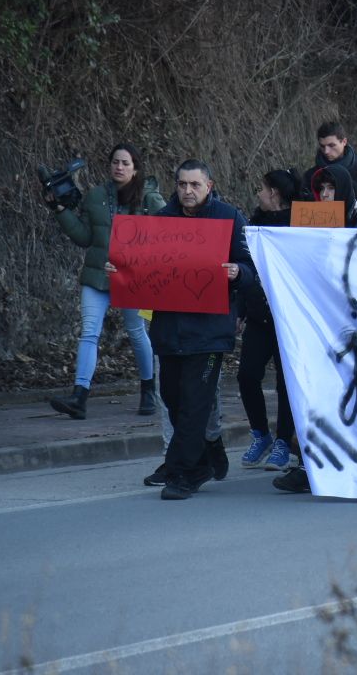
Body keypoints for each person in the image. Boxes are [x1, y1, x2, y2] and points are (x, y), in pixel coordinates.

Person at [111, 160, 254, 500]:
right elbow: (141, 271)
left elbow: (253, 265)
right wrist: (117, 268)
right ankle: (204, 455)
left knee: (195, 402)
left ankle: (184, 472)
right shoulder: (159, 223)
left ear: (209, 185)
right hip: (169, 329)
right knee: (173, 399)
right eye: (182, 185)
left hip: (209, 332)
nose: (188, 191)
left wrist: (239, 272)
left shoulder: (229, 218)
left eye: (195, 185)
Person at [44, 144, 165, 421]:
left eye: (125, 163)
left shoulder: (149, 198)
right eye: (115, 162)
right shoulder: (96, 196)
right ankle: (79, 395)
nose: (119, 167)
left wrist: (135, 263)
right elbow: (85, 237)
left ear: (136, 168)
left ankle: (148, 388)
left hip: (134, 277)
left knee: (136, 332)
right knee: (89, 332)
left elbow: (163, 238)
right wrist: (61, 211)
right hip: (98, 273)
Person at [238, 169, 299, 471]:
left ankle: (283, 442)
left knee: (286, 382)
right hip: (258, 315)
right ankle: (260, 433)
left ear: (274, 192)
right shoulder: (254, 222)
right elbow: (245, 268)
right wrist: (240, 310)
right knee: (247, 375)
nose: (259, 194)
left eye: (261, 189)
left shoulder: (298, 224)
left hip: (288, 319)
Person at [306, 121, 357, 198]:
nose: (326, 151)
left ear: (344, 142)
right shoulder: (311, 175)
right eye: (322, 146)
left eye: (331, 145)